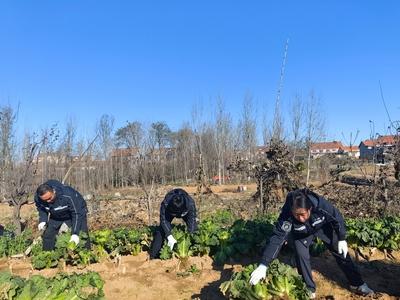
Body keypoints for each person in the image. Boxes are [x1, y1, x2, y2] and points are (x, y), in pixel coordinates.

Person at [249, 188, 374, 299]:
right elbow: (278, 237)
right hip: (301, 234)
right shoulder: (287, 216)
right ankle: (309, 289)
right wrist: (264, 264)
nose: (301, 219)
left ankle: (357, 284)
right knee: (301, 255)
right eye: (296, 215)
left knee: (340, 251)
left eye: (303, 214)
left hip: (322, 227)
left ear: (310, 209)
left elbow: (337, 218)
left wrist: (341, 238)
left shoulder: (320, 205)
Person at [34, 179, 90, 251]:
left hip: (75, 212)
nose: (48, 201)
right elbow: (41, 208)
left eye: (49, 198)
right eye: (45, 200)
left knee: (82, 233)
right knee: (48, 235)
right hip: (56, 215)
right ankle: (48, 255)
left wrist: (75, 233)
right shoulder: (38, 199)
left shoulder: (68, 195)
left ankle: (87, 255)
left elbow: (76, 213)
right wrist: (43, 220)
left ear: (54, 191)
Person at [150, 188, 197, 259]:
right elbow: (163, 220)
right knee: (161, 231)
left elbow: (192, 222)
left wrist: (190, 237)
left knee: (193, 230)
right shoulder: (166, 203)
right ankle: (154, 256)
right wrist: (169, 235)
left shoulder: (190, 203)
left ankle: (193, 254)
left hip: (185, 213)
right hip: (169, 213)